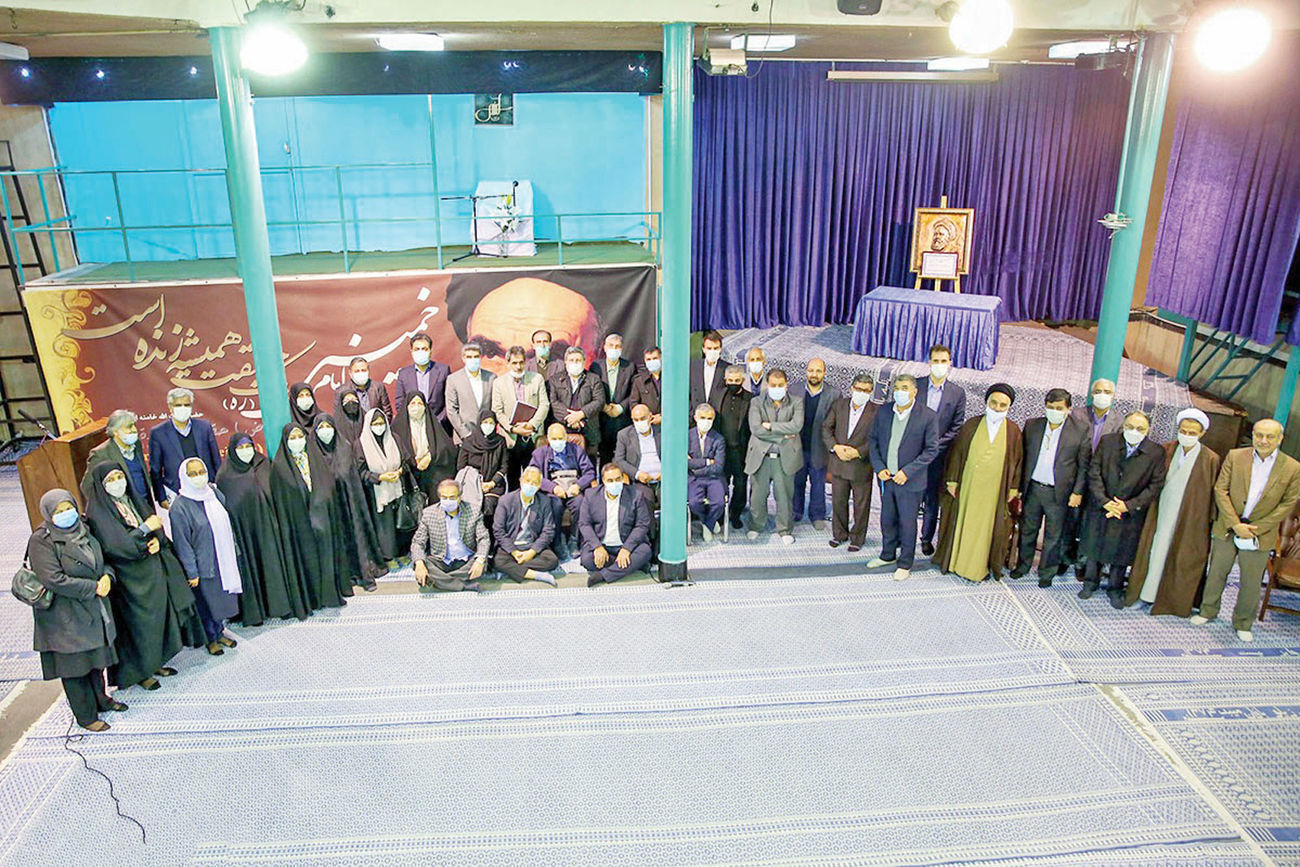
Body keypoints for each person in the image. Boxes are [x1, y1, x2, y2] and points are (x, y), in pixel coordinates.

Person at [80, 462, 190, 690]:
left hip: (150, 572)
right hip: (127, 579)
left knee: (156, 620)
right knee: (137, 627)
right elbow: (116, 545)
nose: (117, 483)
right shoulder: (98, 511)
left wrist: (156, 540)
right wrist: (145, 530)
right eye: (110, 480)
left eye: (119, 477)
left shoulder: (132, 499)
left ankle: (156, 662)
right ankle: (141, 672)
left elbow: (155, 524)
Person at [1194, 419, 1300, 641]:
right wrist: (1235, 524)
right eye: (1259, 435)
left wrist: (1256, 528)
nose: (1263, 440)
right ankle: (1207, 611)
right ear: (1252, 435)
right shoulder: (1235, 456)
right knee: (1216, 573)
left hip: (1260, 533)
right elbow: (1220, 490)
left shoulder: (1292, 467)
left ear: (1280, 438)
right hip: (1228, 526)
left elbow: (1288, 503)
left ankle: (1243, 622)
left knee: (1251, 582)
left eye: (1270, 436)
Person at [27, 490, 124, 731]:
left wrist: (107, 577)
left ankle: (101, 700)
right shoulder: (41, 540)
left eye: (68, 508)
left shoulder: (84, 528)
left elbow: (103, 561)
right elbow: (53, 579)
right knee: (75, 668)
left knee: (95, 660)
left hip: (91, 608)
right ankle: (86, 716)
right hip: (64, 616)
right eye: (59, 511)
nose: (66, 514)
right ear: (48, 513)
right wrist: (93, 588)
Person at [1126, 409, 1222, 615]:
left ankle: (1171, 603)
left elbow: (1211, 495)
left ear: (1202, 433)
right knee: (1153, 554)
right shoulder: (1166, 449)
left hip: (1189, 518)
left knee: (1181, 559)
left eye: (1192, 433)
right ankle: (1144, 596)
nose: (1186, 435)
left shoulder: (1210, 459)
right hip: (1160, 513)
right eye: (1183, 431)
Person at [215, 434, 312, 622]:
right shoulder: (225, 477)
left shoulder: (264, 465)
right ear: (232, 451)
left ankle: (283, 605)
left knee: (276, 565)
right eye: (241, 448)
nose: (246, 451)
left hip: (273, 530)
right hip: (249, 536)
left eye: (248, 446)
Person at [934, 384, 1024, 583]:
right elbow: (956, 454)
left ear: (1009, 407)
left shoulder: (1013, 431)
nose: (997, 408)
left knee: (986, 528)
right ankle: (956, 563)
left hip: (995, 491)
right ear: (986, 402)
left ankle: (978, 567)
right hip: (969, 487)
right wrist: (952, 480)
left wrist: (1013, 487)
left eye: (1003, 405)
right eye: (994, 403)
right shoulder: (971, 425)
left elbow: (1018, 462)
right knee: (963, 523)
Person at [1078, 411, 1167, 607]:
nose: (1134, 431)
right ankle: (1090, 582)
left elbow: (1155, 486)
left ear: (1148, 430)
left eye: (1140, 429)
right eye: (1130, 427)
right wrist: (1104, 501)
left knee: (1121, 552)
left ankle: (1115, 588)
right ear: (1124, 426)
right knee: (1094, 545)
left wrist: (1127, 506)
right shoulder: (1108, 442)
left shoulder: (1156, 452)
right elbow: (1094, 471)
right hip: (1102, 505)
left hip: (1130, 512)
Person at [1010, 389, 1092, 586]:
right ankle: (1023, 565)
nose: (1054, 411)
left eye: (1059, 408)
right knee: (1028, 530)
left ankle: (1046, 573)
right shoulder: (1033, 425)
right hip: (1033, 489)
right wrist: (1019, 487)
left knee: (1053, 536)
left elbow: (1083, 466)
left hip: (1059, 493)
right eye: (1051, 407)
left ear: (1068, 409)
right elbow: (1023, 458)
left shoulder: (1080, 430)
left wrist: (1077, 492)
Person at [867, 374, 940, 581]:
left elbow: (931, 450)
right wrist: (879, 467)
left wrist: (907, 472)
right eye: (897, 388)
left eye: (905, 388)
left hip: (910, 481)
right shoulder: (884, 411)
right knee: (887, 519)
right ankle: (887, 554)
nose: (900, 392)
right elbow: (873, 441)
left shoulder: (927, 416)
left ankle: (905, 563)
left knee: (907, 523)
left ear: (914, 392)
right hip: (887, 478)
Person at [169, 457, 242, 656]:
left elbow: (227, 524)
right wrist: (191, 572)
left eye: (201, 472)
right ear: (184, 477)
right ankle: (211, 639)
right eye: (192, 474)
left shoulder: (213, 495)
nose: (198, 477)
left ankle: (219, 632)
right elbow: (183, 544)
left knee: (221, 599)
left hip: (222, 557)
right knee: (207, 603)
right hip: (203, 564)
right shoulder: (180, 507)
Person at [269, 423, 347, 610]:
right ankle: (312, 599)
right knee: (307, 561)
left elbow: (327, 485)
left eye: (299, 436)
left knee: (326, 558)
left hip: (322, 519)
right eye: (292, 438)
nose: (297, 441)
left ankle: (329, 595)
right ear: (286, 441)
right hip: (299, 525)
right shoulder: (280, 467)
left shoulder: (315, 458)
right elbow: (282, 501)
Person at [312, 414, 386, 592]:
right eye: (321, 428)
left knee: (355, 536)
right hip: (327, 509)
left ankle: (361, 572)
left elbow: (352, 479)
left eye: (328, 427)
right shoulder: (313, 454)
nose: (325, 431)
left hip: (350, 505)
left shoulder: (344, 448)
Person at [1064, 377, 1123, 571]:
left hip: (1100, 480)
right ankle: (1064, 558)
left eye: (1107, 392)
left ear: (1113, 396)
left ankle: (1082, 562)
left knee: (1090, 523)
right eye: (1098, 391)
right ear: (1091, 394)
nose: (1102, 395)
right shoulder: (1077, 415)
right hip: (1075, 475)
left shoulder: (1119, 422)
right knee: (1069, 519)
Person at [916, 345, 966, 558]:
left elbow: (956, 427)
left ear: (950, 363)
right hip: (913, 455)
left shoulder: (957, 393)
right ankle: (903, 536)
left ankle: (926, 539)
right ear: (929, 362)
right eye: (935, 361)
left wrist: (935, 446)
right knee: (909, 498)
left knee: (932, 500)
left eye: (943, 361)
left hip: (938, 456)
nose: (939, 365)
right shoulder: (916, 386)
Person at [745, 369, 803, 544]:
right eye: (773, 385)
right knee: (757, 496)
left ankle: (784, 529)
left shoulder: (797, 402)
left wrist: (770, 426)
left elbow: (796, 426)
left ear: (786, 385)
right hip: (761, 457)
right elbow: (756, 428)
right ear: (767, 385)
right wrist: (782, 435)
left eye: (780, 385)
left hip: (784, 458)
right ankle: (756, 526)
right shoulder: (756, 402)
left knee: (784, 496)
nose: (777, 388)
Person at [822, 373, 878, 552]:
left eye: (866, 391)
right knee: (838, 501)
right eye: (859, 389)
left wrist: (859, 452)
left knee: (861, 505)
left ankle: (857, 538)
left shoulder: (877, 411)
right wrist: (835, 447)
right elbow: (826, 428)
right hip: (839, 462)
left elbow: (878, 438)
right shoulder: (839, 405)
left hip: (861, 465)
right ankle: (839, 534)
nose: (862, 393)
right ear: (852, 388)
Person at [529, 422, 597, 559]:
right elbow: (534, 475)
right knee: (555, 505)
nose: (557, 442)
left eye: (560, 438)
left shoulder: (577, 450)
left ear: (566, 437)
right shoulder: (539, 453)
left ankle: (574, 540)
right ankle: (557, 540)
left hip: (573, 487)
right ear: (548, 439)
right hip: (553, 489)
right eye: (554, 439)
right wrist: (552, 488)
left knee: (580, 503)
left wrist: (578, 485)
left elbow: (589, 472)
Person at [578, 463, 653, 586]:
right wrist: (597, 547)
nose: (615, 483)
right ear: (603, 481)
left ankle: (603, 575)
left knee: (645, 552)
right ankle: (629, 566)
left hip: (626, 544)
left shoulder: (636, 495)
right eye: (610, 480)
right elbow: (584, 524)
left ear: (623, 478)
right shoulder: (591, 496)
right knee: (587, 560)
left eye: (618, 479)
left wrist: (627, 549)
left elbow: (642, 524)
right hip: (603, 545)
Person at [147, 387, 222, 507]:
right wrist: (161, 497)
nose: (183, 408)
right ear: (170, 407)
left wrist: (219, 485)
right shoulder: (158, 433)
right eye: (178, 405)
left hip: (206, 489)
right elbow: (155, 469)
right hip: (177, 492)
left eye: (186, 405)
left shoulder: (204, 427)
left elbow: (216, 460)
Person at [411, 478, 489, 592]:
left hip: (465, 560)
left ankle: (440, 581)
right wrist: (419, 563)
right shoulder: (429, 513)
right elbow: (418, 542)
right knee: (420, 563)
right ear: (439, 497)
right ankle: (463, 585)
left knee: (482, 561)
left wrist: (480, 560)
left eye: (452, 497)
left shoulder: (474, 511)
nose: (448, 501)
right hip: (441, 560)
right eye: (444, 497)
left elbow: (483, 538)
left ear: (459, 497)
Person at [491, 345, 551, 483]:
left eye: (521, 362)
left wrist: (532, 425)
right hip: (510, 438)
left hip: (533, 436)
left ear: (526, 362)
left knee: (535, 477)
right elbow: (497, 410)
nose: (518, 367)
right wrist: (512, 428)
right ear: (508, 363)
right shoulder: (499, 383)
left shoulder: (537, 379)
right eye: (514, 363)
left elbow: (544, 404)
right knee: (513, 479)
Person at [357, 408, 409, 563]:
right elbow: (360, 472)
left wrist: (399, 471)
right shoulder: (361, 444)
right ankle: (388, 556)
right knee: (384, 526)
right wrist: (380, 477)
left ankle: (402, 553)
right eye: (375, 424)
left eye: (381, 423)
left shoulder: (394, 439)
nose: (379, 427)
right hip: (377, 492)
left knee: (399, 521)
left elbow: (406, 460)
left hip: (397, 489)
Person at [492, 466, 560, 585]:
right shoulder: (506, 500)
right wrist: (514, 552)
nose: (530, 485)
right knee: (497, 561)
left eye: (534, 483)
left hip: (531, 545)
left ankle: (511, 570)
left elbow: (548, 530)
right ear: (521, 480)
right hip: (511, 546)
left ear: (539, 486)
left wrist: (531, 552)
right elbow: (498, 530)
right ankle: (536, 575)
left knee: (552, 560)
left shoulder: (544, 501)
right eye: (528, 481)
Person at [792, 358, 839, 529]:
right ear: (806, 371)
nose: (814, 374)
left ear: (824, 373)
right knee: (797, 482)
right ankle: (795, 512)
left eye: (818, 371)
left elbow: (835, 424)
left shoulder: (834, 394)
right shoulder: (794, 389)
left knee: (818, 484)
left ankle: (817, 515)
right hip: (797, 446)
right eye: (811, 370)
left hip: (819, 448)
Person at [86, 409, 155, 512]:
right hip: (125, 510)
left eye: (134, 425)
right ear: (115, 432)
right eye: (129, 427)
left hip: (146, 504)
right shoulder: (101, 453)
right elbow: (87, 486)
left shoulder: (136, 444)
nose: (134, 430)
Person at [393, 392, 456, 501]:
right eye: (413, 403)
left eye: (420, 403)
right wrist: (413, 461)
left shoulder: (432, 423)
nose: (416, 407)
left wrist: (430, 457)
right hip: (409, 472)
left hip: (431, 469)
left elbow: (446, 448)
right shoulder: (398, 427)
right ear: (406, 406)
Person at [547, 345, 603, 462]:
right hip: (562, 431)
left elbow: (599, 401)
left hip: (589, 430)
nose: (574, 363)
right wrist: (571, 418)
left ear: (584, 362)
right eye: (571, 360)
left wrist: (581, 414)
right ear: (565, 362)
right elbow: (553, 402)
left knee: (589, 466)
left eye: (578, 360)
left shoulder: (594, 379)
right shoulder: (555, 380)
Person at [456, 407, 510, 529]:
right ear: (479, 423)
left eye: (491, 423)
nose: (488, 425)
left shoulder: (500, 441)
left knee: (489, 505)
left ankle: (490, 536)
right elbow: (461, 466)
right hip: (471, 484)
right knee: (471, 507)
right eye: (485, 422)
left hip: (493, 484)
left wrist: (491, 483)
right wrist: (476, 484)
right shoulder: (469, 441)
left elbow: (504, 466)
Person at [717, 365, 753, 530]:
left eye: (737, 380)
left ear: (742, 380)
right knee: (721, 483)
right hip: (722, 450)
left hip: (741, 450)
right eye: (730, 380)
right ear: (725, 380)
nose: (733, 383)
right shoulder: (719, 396)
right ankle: (720, 514)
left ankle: (735, 514)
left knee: (740, 484)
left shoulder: (750, 399)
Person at [592, 332, 636, 464]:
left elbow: (634, 393)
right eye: (611, 345)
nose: (614, 349)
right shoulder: (596, 367)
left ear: (621, 349)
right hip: (602, 419)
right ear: (604, 347)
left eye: (617, 346)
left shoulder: (629, 367)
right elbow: (592, 391)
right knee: (604, 459)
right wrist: (605, 407)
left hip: (622, 420)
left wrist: (620, 408)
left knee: (624, 457)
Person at [393, 332, 451, 429]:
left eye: (424, 349)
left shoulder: (443, 370)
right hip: (414, 426)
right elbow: (400, 403)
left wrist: (439, 420)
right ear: (411, 351)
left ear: (430, 351)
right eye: (417, 349)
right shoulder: (403, 374)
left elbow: (449, 400)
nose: (420, 352)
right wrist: (411, 421)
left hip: (439, 425)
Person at [688, 403, 727, 541]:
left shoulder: (719, 439)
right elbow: (685, 463)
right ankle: (708, 521)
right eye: (703, 417)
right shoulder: (687, 436)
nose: (706, 421)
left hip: (713, 477)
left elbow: (718, 466)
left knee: (719, 503)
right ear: (695, 418)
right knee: (694, 503)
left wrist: (695, 467)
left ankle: (707, 524)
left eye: (709, 418)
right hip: (694, 479)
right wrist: (707, 462)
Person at [445, 342, 496, 444]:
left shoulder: (491, 378)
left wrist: (489, 430)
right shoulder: (453, 379)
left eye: (476, 356)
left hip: (487, 437)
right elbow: (451, 410)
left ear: (481, 357)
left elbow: (494, 406)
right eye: (469, 357)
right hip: (464, 439)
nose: (473, 360)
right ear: (463, 358)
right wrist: (465, 434)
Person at [615, 403, 663, 510]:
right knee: (644, 501)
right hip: (640, 481)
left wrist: (667, 473)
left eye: (642, 418)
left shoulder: (662, 432)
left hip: (664, 479)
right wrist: (637, 474)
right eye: (635, 420)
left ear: (650, 416)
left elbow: (674, 455)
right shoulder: (624, 435)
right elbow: (619, 460)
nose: (639, 422)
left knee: (669, 499)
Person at [689, 330, 727, 414]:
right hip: (695, 416)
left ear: (720, 349)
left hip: (718, 417)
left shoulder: (726, 368)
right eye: (709, 348)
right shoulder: (693, 367)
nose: (712, 351)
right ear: (703, 349)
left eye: (716, 348)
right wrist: (691, 413)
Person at [630, 346, 663, 424]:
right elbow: (634, 403)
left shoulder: (671, 379)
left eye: (655, 358)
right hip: (648, 424)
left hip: (669, 423)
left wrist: (663, 417)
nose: (652, 361)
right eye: (648, 359)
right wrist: (647, 416)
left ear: (661, 358)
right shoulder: (639, 381)